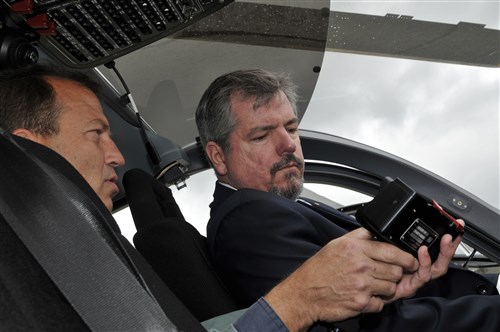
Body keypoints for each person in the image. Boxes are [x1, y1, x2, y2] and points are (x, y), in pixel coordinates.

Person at [0, 64, 439, 332]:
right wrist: (297, 300)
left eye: (292, 128)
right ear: (30, 147)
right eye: (97, 133)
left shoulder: (80, 254)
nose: (116, 155)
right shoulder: (26, 272)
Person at [193, 69, 500, 331]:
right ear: (218, 157)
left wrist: (401, 275)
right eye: (261, 136)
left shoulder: (275, 207)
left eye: (291, 128)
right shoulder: (247, 218)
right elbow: (368, 326)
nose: (288, 145)